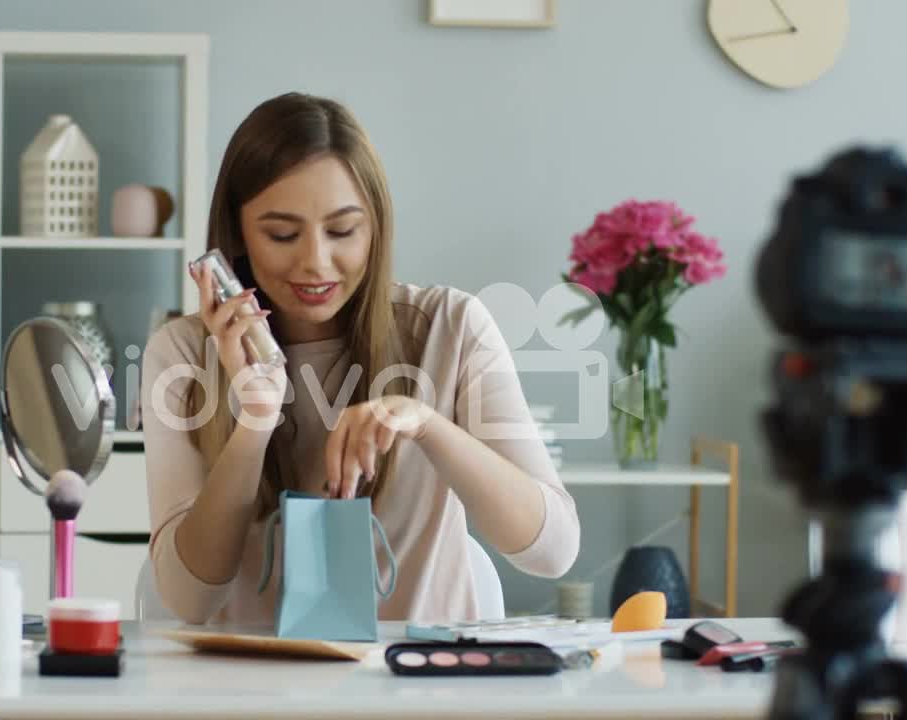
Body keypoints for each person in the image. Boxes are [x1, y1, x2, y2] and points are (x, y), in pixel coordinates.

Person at [141, 92, 579, 625]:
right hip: (252, 694)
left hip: (420, 691)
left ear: (376, 226)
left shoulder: (451, 325)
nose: (315, 262)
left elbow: (552, 551)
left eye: (343, 230)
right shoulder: (182, 353)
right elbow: (189, 601)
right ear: (237, 235)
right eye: (281, 234)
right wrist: (254, 421)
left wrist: (426, 423)